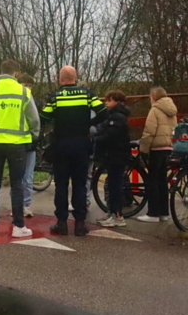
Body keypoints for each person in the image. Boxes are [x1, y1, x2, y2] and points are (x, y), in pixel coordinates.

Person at [39, 66, 105, 236]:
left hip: (61, 144)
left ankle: (61, 223)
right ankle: (80, 224)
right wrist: (88, 124)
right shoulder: (87, 94)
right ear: (75, 78)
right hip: (81, 143)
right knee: (80, 184)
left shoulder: (55, 96)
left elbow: (43, 118)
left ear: (60, 79)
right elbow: (104, 112)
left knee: (61, 184)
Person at [0, 59, 40, 238]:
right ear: (17, 74)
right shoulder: (23, 92)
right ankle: (18, 226)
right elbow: (34, 119)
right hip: (18, 144)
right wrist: (33, 136)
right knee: (17, 185)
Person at [136, 87, 177, 223]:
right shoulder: (172, 110)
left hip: (156, 148)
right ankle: (164, 212)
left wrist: (144, 148)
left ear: (153, 97)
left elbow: (149, 131)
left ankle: (153, 212)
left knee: (152, 180)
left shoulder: (155, 110)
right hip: (168, 146)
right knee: (162, 180)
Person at [93, 90, 131, 227]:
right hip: (113, 155)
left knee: (116, 185)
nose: (106, 103)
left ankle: (117, 215)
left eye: (109, 100)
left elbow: (110, 135)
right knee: (112, 184)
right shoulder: (113, 116)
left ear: (117, 101)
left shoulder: (117, 117)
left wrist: (94, 139)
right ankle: (112, 212)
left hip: (116, 155)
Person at [19, 74, 37, 218]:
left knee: (28, 177)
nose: (28, 88)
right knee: (18, 176)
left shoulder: (34, 101)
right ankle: (18, 205)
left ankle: (26, 204)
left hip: (30, 144)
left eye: (30, 86)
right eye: (25, 85)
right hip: (18, 143)